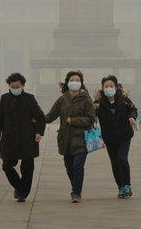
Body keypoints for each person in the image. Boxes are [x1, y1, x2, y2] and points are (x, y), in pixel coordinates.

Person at [0, 73, 45, 202]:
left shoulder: (29, 99)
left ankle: (23, 194)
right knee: (7, 165)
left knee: (27, 167)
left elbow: (40, 117)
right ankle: (19, 186)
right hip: (9, 139)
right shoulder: (5, 99)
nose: (15, 88)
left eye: (17, 86)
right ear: (9, 86)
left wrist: (39, 132)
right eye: (12, 86)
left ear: (23, 85)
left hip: (27, 138)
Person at [45, 70, 95, 203]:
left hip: (81, 139)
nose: (75, 82)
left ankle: (76, 192)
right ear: (67, 82)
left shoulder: (86, 99)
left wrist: (74, 121)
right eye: (72, 80)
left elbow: (91, 119)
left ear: (81, 83)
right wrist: (36, 119)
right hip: (66, 139)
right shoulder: (62, 100)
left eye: (78, 80)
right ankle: (75, 186)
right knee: (69, 167)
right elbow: (50, 116)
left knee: (78, 166)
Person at [96, 76, 138, 199]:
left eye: (111, 86)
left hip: (124, 135)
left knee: (122, 158)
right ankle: (120, 186)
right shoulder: (99, 103)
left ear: (116, 87)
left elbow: (133, 109)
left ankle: (127, 185)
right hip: (109, 138)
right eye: (106, 86)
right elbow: (89, 112)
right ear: (102, 88)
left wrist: (132, 117)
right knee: (114, 162)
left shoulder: (124, 100)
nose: (109, 88)